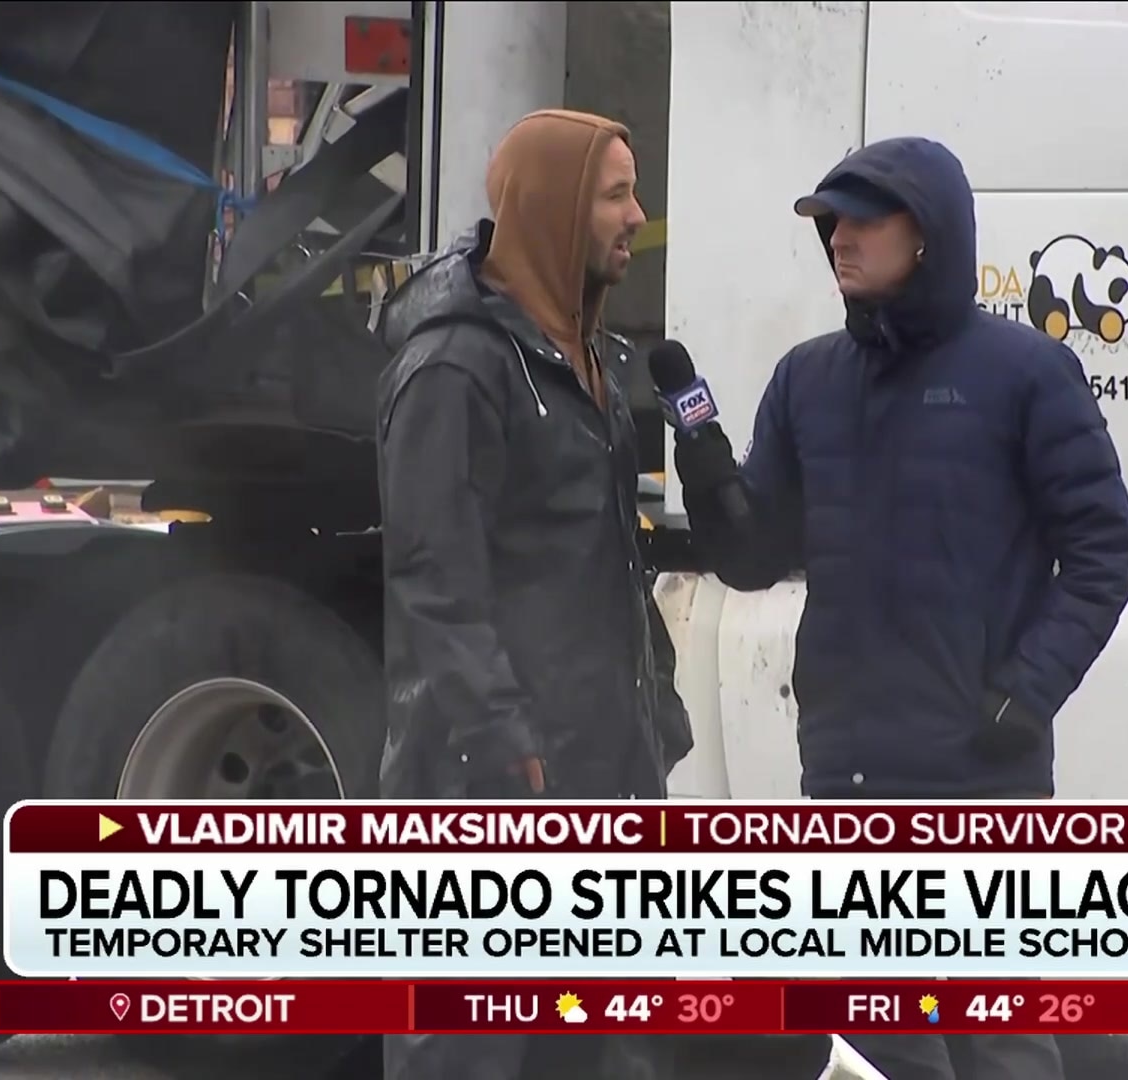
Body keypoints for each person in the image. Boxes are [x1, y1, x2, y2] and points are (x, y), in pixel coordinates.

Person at [671, 136, 1128, 1080]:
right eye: (828, 224)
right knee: (879, 1047)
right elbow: (754, 562)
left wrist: (1026, 692)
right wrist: (711, 475)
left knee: (998, 1039)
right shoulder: (807, 378)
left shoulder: (1025, 371)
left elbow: (1102, 553)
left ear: (927, 234)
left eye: (860, 220)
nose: (838, 239)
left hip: (984, 775)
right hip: (847, 775)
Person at [371, 109, 689, 1080]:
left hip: (600, 774)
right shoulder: (455, 366)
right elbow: (436, 576)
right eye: (616, 194)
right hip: (492, 789)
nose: (637, 216)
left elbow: (602, 558)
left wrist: (650, 710)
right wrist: (504, 739)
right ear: (555, 208)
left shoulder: (588, 355)